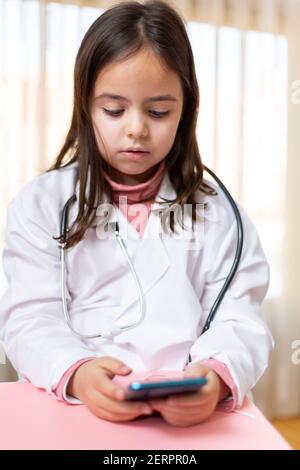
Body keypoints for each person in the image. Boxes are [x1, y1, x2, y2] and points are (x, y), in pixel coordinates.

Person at [0, 0, 273, 427]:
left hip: (188, 414)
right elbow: (29, 318)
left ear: (185, 111)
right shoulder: (41, 204)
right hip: (74, 411)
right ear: (85, 107)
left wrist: (214, 378)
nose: (136, 129)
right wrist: (78, 373)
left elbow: (241, 318)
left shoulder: (220, 214)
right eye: (113, 110)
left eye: (159, 111)